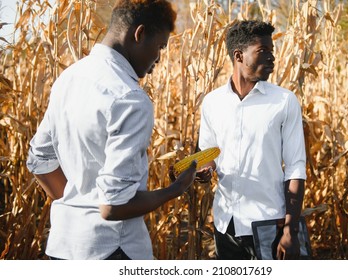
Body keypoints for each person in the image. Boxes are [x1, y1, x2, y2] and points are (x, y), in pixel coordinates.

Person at [26, 0, 197, 260]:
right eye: (160, 46)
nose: (159, 58)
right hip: (111, 249)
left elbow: (39, 159)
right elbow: (113, 207)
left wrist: (78, 203)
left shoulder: (69, 78)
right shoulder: (130, 98)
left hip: (64, 246)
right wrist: (176, 189)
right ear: (139, 34)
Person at [198, 20, 307, 260]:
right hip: (225, 225)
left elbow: (296, 168)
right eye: (263, 51)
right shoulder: (212, 102)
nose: (272, 58)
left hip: (270, 225)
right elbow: (208, 152)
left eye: (272, 51)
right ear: (239, 55)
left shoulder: (284, 102)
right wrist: (205, 168)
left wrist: (291, 230)